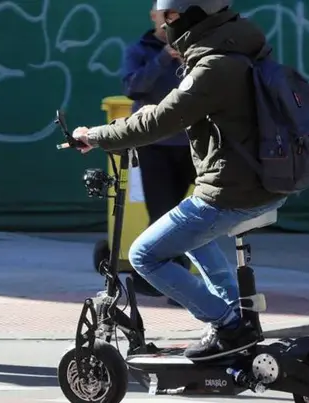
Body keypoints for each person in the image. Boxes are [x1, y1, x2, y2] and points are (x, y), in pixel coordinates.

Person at [67, 0, 287, 362]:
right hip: (266, 184)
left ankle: (228, 325)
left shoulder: (214, 66)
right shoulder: (249, 51)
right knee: (192, 238)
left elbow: (159, 120)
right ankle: (239, 321)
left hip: (232, 189)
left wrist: (97, 135)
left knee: (144, 254)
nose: (165, 24)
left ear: (193, 17)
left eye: (169, 16)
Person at [121, 1, 196, 301]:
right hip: (155, 146)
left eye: (173, 15)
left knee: (199, 214)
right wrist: (165, 57)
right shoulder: (139, 50)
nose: (167, 21)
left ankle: (187, 281)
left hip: (194, 144)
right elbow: (133, 87)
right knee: (163, 216)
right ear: (154, 17)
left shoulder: (197, 47)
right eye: (162, 15)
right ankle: (170, 283)